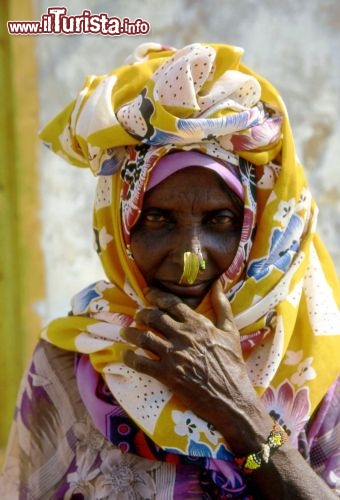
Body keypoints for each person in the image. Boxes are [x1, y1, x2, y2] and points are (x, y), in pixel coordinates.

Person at [1, 42, 339, 499]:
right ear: (119, 230)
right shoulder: (68, 361)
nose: (189, 258)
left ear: (256, 229)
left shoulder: (316, 361)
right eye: (158, 219)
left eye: (220, 220)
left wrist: (241, 412)